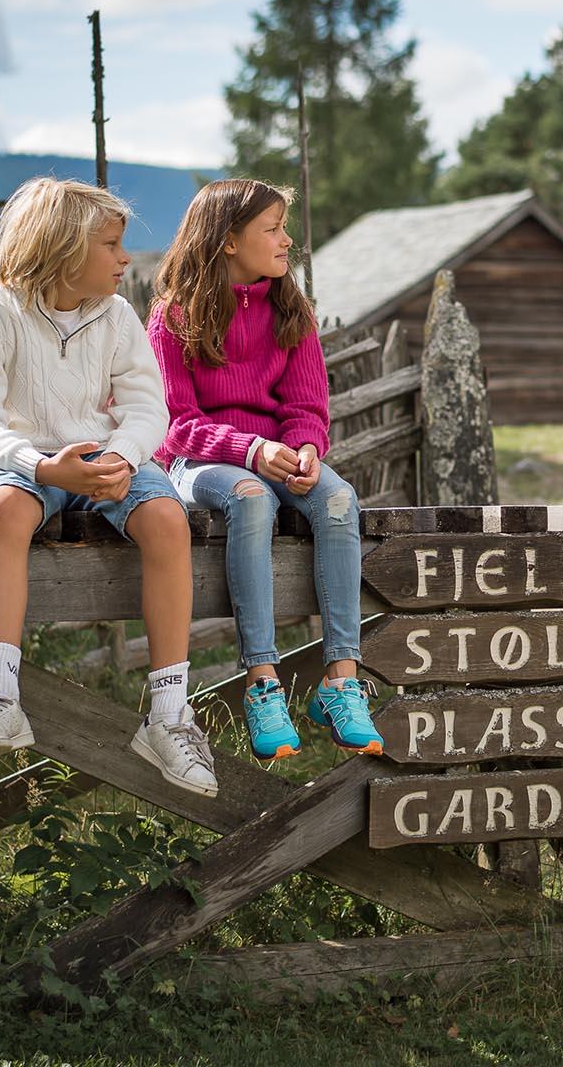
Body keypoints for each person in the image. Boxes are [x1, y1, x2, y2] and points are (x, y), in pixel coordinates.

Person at [0, 177, 218, 797]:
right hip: (19, 460)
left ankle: (170, 715)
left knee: (167, 522)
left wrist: (121, 459)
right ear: (64, 248)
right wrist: (41, 467)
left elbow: (150, 408)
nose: (125, 259)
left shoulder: (118, 315)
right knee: (6, 513)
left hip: (103, 456)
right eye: (112, 245)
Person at [147, 178, 384, 761]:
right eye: (273, 230)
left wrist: (306, 448)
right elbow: (174, 423)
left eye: (285, 228)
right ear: (229, 240)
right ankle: (262, 682)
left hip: (280, 456)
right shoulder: (174, 318)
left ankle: (341, 681)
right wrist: (251, 450)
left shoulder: (290, 310)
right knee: (252, 496)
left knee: (337, 499)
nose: (287, 242)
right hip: (200, 463)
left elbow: (307, 405)